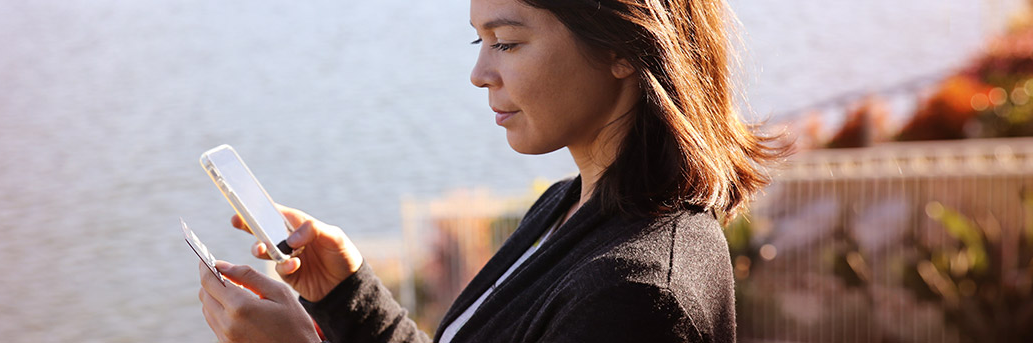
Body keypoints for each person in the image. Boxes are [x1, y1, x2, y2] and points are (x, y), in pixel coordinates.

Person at [196, 0, 785, 341]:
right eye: (478, 41)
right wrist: (348, 296)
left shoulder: (638, 295)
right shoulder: (569, 205)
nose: (480, 73)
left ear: (622, 49)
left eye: (505, 42)